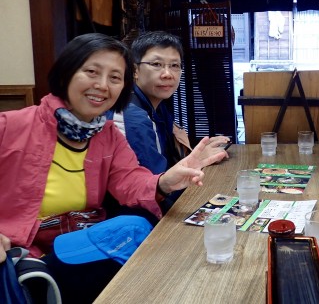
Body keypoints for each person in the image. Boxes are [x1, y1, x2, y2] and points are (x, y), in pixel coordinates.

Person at [0, 33, 226, 303]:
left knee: (134, 230)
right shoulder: (11, 126)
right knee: (135, 232)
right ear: (65, 74)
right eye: (91, 72)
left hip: (76, 244)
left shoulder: (107, 135)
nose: (102, 85)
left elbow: (129, 180)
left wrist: (164, 181)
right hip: (23, 250)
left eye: (115, 78)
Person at [108, 31, 229, 212]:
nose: (167, 74)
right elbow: (154, 185)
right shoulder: (133, 116)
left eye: (175, 65)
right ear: (134, 70)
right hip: (139, 219)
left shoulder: (156, 106)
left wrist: (199, 155)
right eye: (156, 64)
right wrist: (200, 160)